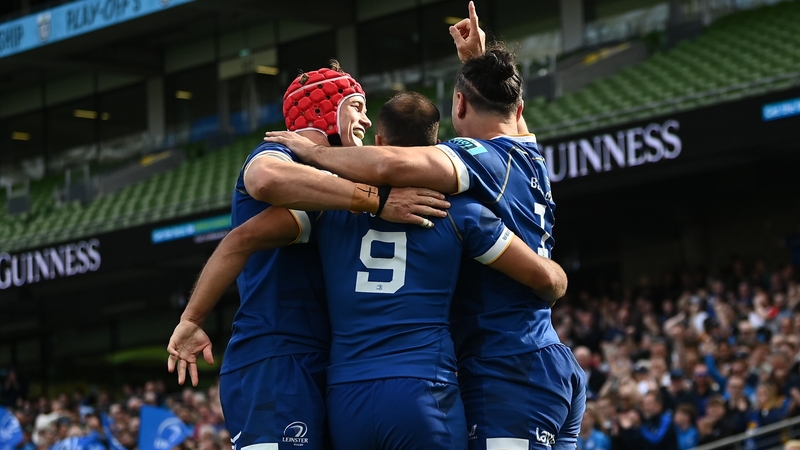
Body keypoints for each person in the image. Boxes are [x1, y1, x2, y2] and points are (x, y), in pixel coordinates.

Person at [262, 5, 585, 448]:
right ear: (521, 109)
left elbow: (391, 163)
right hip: (536, 358)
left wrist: (314, 154)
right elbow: (547, 281)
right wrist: (477, 61)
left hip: (504, 369)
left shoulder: (474, 163)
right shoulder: (529, 153)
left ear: (458, 104)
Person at [183, 90, 566, 449]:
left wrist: (192, 319)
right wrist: (558, 277)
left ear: (379, 144)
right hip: (424, 392)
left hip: (346, 399)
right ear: (433, 151)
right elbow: (543, 278)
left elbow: (239, 239)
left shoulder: (327, 209)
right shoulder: (460, 213)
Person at [167, 64, 450, 450]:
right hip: (276, 358)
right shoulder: (279, 151)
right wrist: (376, 200)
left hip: (325, 364)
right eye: (357, 106)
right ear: (324, 109)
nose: (366, 118)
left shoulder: (338, 175)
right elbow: (263, 188)